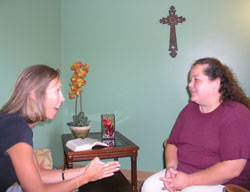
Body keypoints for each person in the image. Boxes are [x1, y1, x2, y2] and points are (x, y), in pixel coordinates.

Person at [0, 65, 120, 192]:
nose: (62, 98)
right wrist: (85, 178)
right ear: (35, 95)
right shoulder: (16, 128)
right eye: (57, 91)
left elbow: (38, 174)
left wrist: (83, 170)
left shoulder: (15, 124)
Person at [141, 57, 250, 192]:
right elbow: (172, 144)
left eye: (196, 80)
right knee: (149, 186)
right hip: (183, 173)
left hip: (223, 183)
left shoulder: (235, 114)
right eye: (190, 80)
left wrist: (188, 181)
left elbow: (232, 168)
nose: (190, 85)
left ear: (215, 83)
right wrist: (171, 168)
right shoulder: (189, 110)